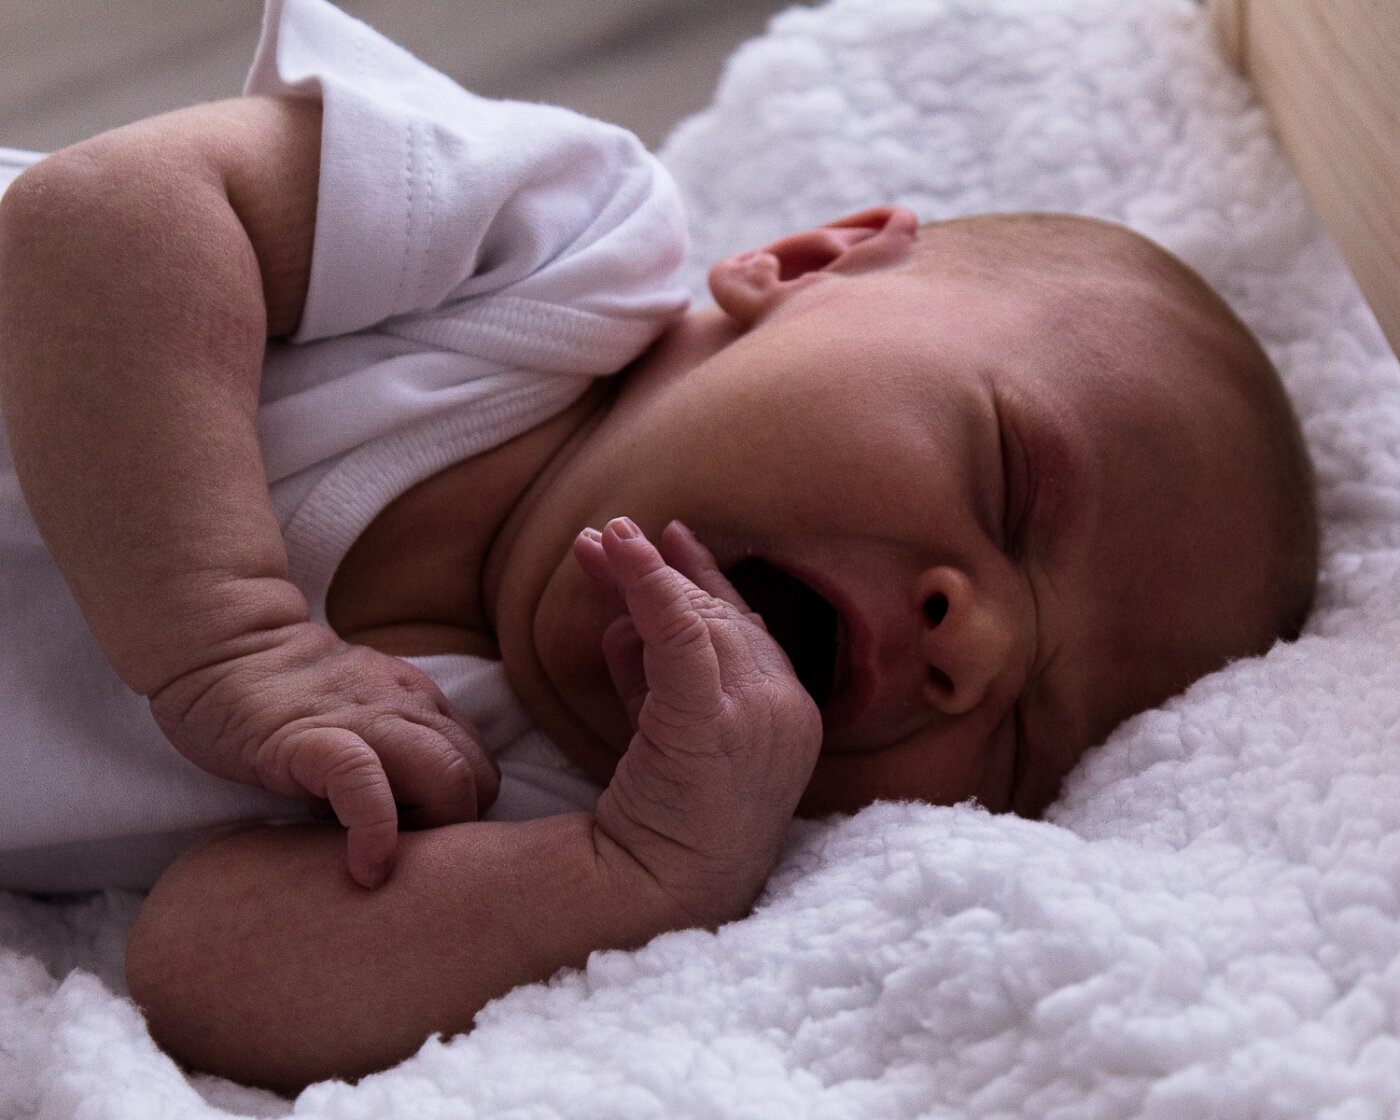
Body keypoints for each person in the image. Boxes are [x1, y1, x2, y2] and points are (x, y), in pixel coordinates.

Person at [0, 0, 1315, 1094]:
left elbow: (201, 970)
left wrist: (633, 876)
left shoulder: (547, 802)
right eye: (1015, 483)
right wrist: (225, 630)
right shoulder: (560, 250)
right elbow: (101, 217)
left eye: (1021, 740)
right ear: (810, 260)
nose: (978, 645)